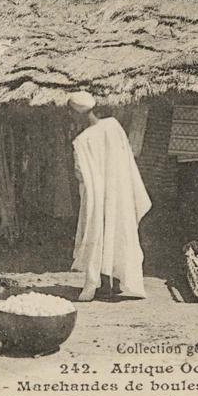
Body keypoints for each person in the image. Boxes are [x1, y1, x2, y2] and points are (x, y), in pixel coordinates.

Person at [67, 91, 152, 302]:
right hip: (119, 191)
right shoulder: (113, 126)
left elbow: (81, 174)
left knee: (98, 232)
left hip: (98, 195)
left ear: (77, 114)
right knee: (118, 231)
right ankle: (113, 282)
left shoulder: (82, 140)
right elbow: (126, 156)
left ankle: (103, 283)